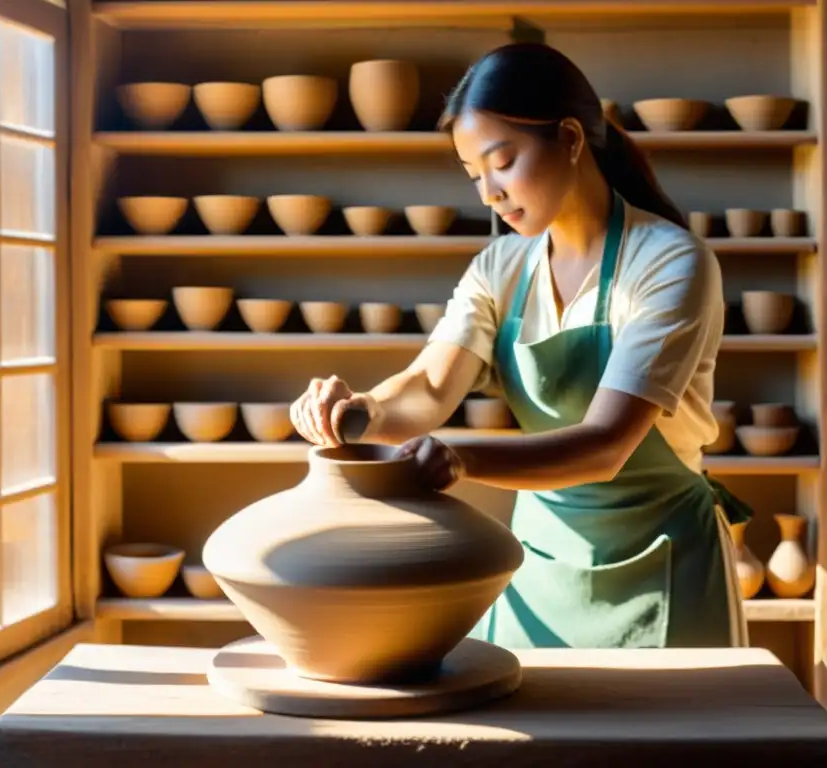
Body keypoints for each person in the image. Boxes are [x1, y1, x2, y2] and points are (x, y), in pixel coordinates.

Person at [289, 42, 753, 650]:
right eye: (474, 176)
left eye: (502, 162)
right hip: (538, 558)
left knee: (663, 744)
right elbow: (429, 388)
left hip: (664, 555)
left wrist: (462, 460)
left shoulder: (670, 261)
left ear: (568, 137)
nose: (489, 194)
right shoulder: (499, 267)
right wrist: (363, 408)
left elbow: (605, 445)